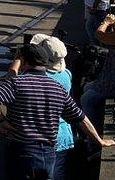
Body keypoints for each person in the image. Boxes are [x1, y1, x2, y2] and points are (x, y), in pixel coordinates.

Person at [0, 41, 114, 180]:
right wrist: (99, 141)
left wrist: (1, 120)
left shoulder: (17, 83)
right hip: (47, 153)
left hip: (21, 149)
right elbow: (80, 118)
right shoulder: (57, 88)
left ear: (25, 62)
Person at [7, 35, 76, 180]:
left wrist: (17, 60)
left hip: (39, 139)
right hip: (62, 134)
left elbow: (10, 83)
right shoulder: (66, 75)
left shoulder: (34, 79)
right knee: (57, 173)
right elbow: (77, 114)